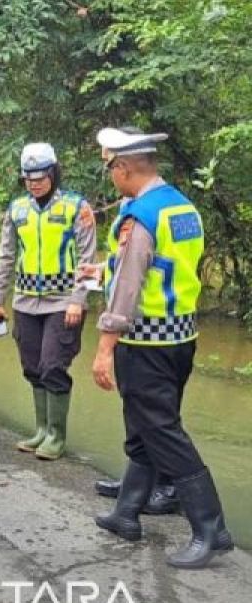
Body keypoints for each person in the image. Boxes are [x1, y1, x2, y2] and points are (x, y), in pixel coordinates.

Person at [86, 127, 233, 569]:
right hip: (180, 337)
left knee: (163, 431)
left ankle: (211, 528)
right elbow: (166, 267)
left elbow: (129, 289)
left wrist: (104, 347)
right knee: (147, 426)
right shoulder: (182, 207)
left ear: (124, 167)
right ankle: (127, 513)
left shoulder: (141, 217)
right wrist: (104, 266)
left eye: (110, 167)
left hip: (144, 341)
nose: (111, 176)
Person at [0, 143, 96, 461]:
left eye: (40, 177)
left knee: (53, 365)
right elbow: (6, 257)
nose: (34, 183)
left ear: (53, 173)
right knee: (32, 367)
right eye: (28, 178)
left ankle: (57, 436)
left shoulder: (77, 207)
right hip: (25, 302)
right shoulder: (17, 209)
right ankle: (41, 430)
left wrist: (79, 299)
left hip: (63, 302)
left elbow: (89, 258)